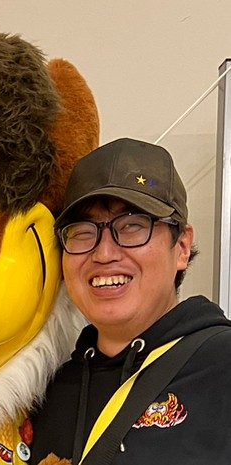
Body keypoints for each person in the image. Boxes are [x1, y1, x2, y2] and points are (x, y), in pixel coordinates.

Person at [29, 138, 231, 465]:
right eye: (82, 231)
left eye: (132, 226)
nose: (104, 253)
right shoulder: (46, 391)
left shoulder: (221, 366)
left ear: (182, 247)